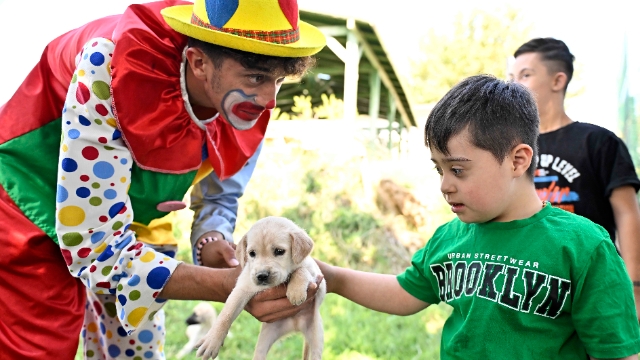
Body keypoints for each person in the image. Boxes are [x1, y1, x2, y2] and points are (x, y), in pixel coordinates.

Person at [0, 0, 326, 358]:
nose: (270, 101)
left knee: (136, 348)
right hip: (28, 195)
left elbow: (221, 191)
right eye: (257, 77)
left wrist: (211, 238)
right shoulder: (109, 65)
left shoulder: (248, 103)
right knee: (40, 342)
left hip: (135, 214)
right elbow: (94, 247)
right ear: (198, 62)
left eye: (279, 79)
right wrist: (226, 286)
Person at [316, 75, 640, 359]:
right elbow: (405, 294)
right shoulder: (449, 237)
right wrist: (334, 277)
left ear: (517, 161)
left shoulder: (585, 246)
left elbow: (613, 352)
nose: (444, 185)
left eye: (457, 169)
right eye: (439, 169)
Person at [510, 37, 640, 317]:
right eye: (511, 76)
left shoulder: (598, 142)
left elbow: (627, 215)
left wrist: (635, 288)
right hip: (529, 286)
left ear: (557, 81)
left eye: (526, 75)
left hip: (593, 285)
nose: (514, 84)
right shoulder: (509, 150)